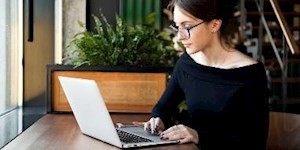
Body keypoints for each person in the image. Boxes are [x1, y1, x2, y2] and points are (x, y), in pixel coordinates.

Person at [143, 0, 269, 149]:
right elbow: (163, 107)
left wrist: (199, 136)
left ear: (214, 25)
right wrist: (158, 119)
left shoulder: (250, 73)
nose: (180, 37)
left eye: (187, 26)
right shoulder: (186, 63)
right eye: (177, 27)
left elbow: (255, 141)